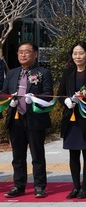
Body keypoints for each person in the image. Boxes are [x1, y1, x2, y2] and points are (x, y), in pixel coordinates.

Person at [1, 42, 53, 198]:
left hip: (35, 118)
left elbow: (48, 94)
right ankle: (18, 185)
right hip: (16, 118)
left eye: (27, 51)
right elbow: (3, 93)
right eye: (20, 52)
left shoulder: (43, 72)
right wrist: (9, 100)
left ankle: (39, 186)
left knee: (37, 155)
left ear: (35, 54)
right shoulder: (12, 73)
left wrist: (34, 98)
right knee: (17, 156)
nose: (23, 55)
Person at [58, 41, 86, 199]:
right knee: (73, 154)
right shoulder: (68, 72)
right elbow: (60, 93)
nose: (78, 56)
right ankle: (75, 187)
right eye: (75, 53)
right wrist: (66, 100)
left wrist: (84, 99)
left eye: (81, 53)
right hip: (71, 119)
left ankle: (85, 187)